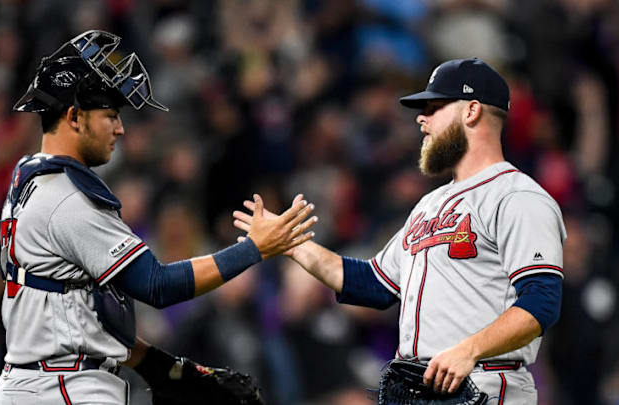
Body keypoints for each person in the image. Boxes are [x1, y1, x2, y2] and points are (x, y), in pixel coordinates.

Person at [0, 30, 317, 405]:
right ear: (74, 117)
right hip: (63, 388)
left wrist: (166, 369)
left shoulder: (32, 177)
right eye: (110, 115)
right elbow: (157, 286)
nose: (120, 128)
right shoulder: (67, 200)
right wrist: (255, 249)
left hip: (46, 382)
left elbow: (87, 313)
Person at [234, 58, 565, 403]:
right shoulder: (428, 206)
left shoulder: (518, 198)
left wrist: (468, 351)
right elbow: (375, 285)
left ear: (471, 111)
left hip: (485, 384)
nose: (421, 118)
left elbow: (541, 301)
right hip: (424, 387)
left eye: (435, 107)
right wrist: (290, 242)